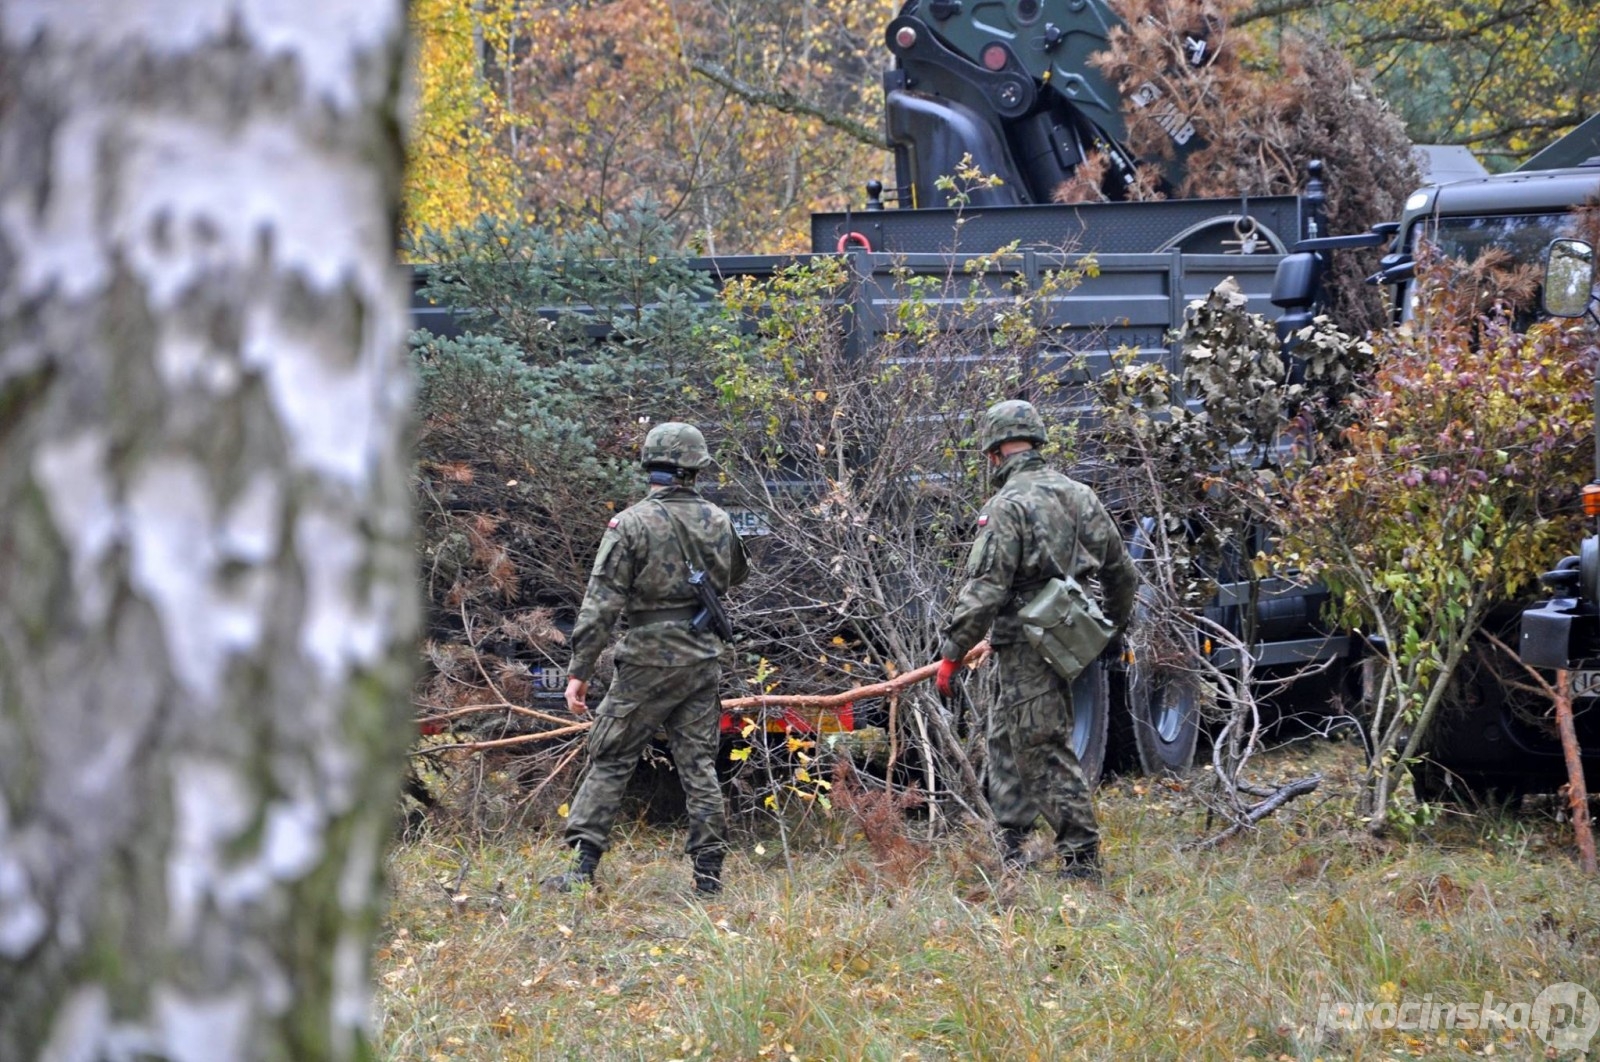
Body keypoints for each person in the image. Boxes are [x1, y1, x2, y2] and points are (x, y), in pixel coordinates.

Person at [934, 399, 1138, 880]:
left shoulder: (1008, 506)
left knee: (1041, 745)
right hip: (1067, 634)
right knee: (1008, 739)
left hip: (1027, 642)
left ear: (994, 453)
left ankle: (1082, 859)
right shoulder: (1081, 495)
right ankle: (1009, 845)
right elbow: (1122, 574)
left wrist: (952, 653)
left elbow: (985, 589)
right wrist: (1111, 629)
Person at [545, 422, 749, 895]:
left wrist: (579, 670)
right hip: (701, 656)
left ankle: (579, 871)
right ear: (695, 466)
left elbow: (601, 602)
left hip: (647, 661)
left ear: (650, 465)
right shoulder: (718, 519)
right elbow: (737, 573)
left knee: (612, 756)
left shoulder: (630, 523)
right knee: (699, 764)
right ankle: (708, 880)